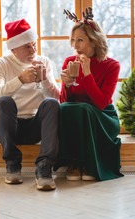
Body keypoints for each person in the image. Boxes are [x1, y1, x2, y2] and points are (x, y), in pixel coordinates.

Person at [53, 8, 124, 181]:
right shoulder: (70, 62)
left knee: (83, 108)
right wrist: (67, 86)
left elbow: (101, 103)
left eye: (80, 40)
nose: (75, 46)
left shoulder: (111, 65)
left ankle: (88, 163)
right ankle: (75, 161)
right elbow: (64, 103)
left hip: (102, 116)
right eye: (73, 40)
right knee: (65, 109)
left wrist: (87, 73)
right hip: (78, 115)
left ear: (94, 41)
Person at [0, 19, 60, 191]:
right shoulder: (2, 64)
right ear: (13, 49)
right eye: (27, 47)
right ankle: (12, 164)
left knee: (51, 103)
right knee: (4, 101)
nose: (33, 50)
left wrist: (45, 80)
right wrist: (20, 80)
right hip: (9, 127)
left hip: (35, 126)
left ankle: (44, 168)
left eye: (33, 44)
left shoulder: (43, 61)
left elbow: (56, 98)